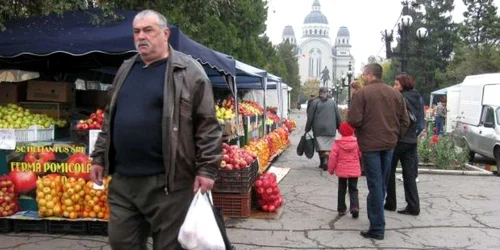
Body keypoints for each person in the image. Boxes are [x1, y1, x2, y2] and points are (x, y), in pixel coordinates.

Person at [89, 10, 222, 250]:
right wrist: (98, 156)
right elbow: (110, 118)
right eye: (137, 32)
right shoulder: (126, 69)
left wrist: (207, 169)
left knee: (169, 246)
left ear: (165, 33)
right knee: (121, 242)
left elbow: (208, 125)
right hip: (123, 182)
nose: (141, 36)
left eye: (148, 30)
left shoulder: (188, 71)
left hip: (169, 184)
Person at [347, 63, 410, 240]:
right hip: (389, 144)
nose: (363, 76)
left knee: (375, 185)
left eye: (364, 74)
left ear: (369, 75)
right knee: (381, 183)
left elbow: (353, 119)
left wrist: (364, 128)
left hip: (370, 145)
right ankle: (375, 216)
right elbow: (405, 121)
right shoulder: (395, 94)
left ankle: (377, 227)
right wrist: (395, 136)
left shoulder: (362, 94)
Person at [385, 73, 422, 216]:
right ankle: (413, 206)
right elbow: (418, 119)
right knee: (409, 175)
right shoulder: (417, 97)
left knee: (390, 171)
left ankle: (390, 202)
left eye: (396, 84)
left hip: (399, 140)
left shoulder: (400, 98)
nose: (394, 87)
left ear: (403, 85)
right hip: (411, 140)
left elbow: (395, 119)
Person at [328, 122, 361, 218]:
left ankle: (341, 208)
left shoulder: (338, 143)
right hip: (354, 170)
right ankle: (355, 207)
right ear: (353, 131)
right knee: (353, 189)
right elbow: (361, 154)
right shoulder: (357, 143)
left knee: (342, 189)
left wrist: (331, 169)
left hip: (342, 171)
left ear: (340, 132)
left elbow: (333, 158)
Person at [305, 87, 341, 170]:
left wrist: (307, 128)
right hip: (331, 128)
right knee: (329, 146)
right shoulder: (332, 102)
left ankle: (323, 161)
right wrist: (339, 126)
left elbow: (310, 117)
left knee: (320, 145)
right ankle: (327, 157)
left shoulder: (315, 102)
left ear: (319, 92)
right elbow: (338, 116)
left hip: (318, 128)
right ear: (327, 93)